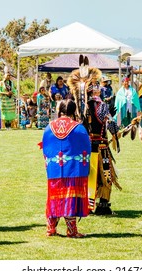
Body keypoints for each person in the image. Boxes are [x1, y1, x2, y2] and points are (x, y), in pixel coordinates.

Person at [41, 99, 91, 238]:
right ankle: (71, 230)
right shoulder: (79, 128)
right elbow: (86, 148)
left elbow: (46, 148)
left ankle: (51, 228)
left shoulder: (49, 127)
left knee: (54, 197)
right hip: (74, 169)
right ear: (74, 111)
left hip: (54, 169)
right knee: (70, 197)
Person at [86, 82, 121, 215]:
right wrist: (116, 132)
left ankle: (86, 206)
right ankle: (103, 206)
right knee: (106, 176)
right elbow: (110, 122)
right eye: (97, 88)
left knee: (87, 175)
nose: (100, 90)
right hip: (101, 147)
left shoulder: (82, 106)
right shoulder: (101, 106)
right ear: (94, 92)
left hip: (85, 148)